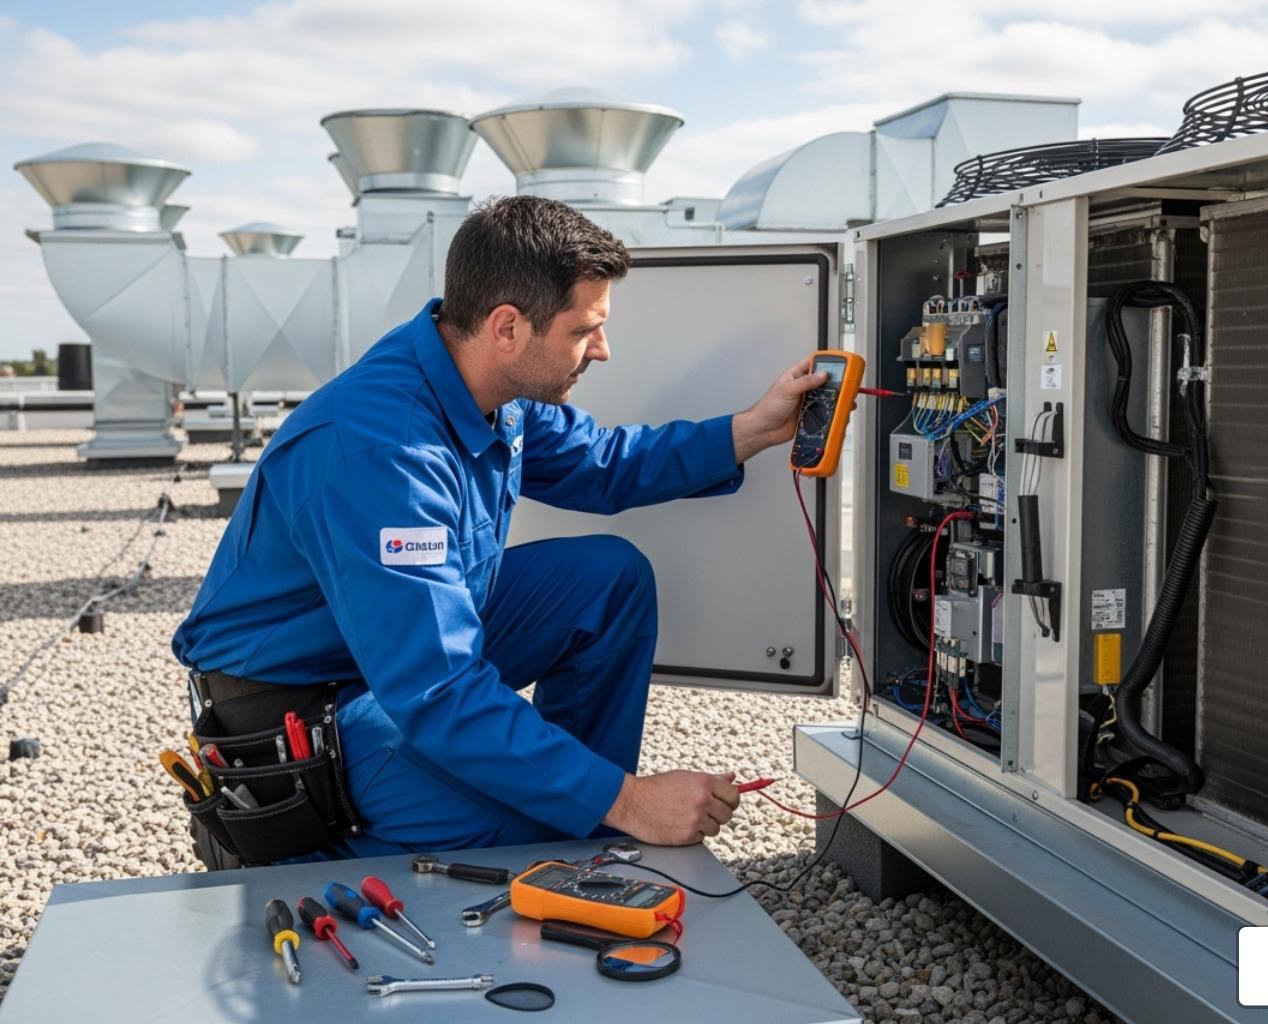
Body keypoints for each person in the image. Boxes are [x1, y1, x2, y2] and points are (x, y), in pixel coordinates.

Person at [172, 195, 827, 862]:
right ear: (507, 327)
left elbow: (605, 463)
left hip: (387, 654)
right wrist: (632, 802)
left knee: (607, 581)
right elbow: (437, 688)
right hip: (304, 710)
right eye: (582, 330)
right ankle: (274, 840)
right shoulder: (385, 453)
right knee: (526, 835)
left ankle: (578, 819)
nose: (602, 349)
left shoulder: (486, 386)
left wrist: (753, 430)